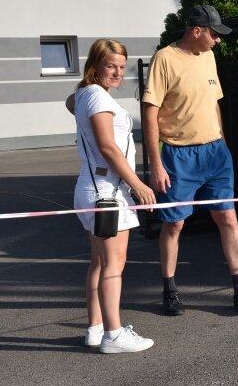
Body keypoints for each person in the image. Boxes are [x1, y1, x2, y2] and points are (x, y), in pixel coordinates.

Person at [142, 5, 238, 316]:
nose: (217, 40)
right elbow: (149, 113)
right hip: (178, 155)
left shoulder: (208, 56)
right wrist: (156, 164)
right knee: (174, 223)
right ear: (196, 31)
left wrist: (220, 139)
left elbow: (215, 101)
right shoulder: (164, 59)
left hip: (214, 154)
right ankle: (169, 291)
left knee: (228, 218)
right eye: (213, 34)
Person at [68, 39, 156, 353]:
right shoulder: (95, 96)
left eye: (121, 67)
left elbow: (70, 101)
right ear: (95, 66)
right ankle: (113, 334)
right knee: (113, 264)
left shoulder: (84, 94)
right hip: (107, 192)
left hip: (97, 189)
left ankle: (95, 328)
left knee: (99, 262)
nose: (118, 73)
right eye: (111, 66)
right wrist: (139, 185)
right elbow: (108, 148)